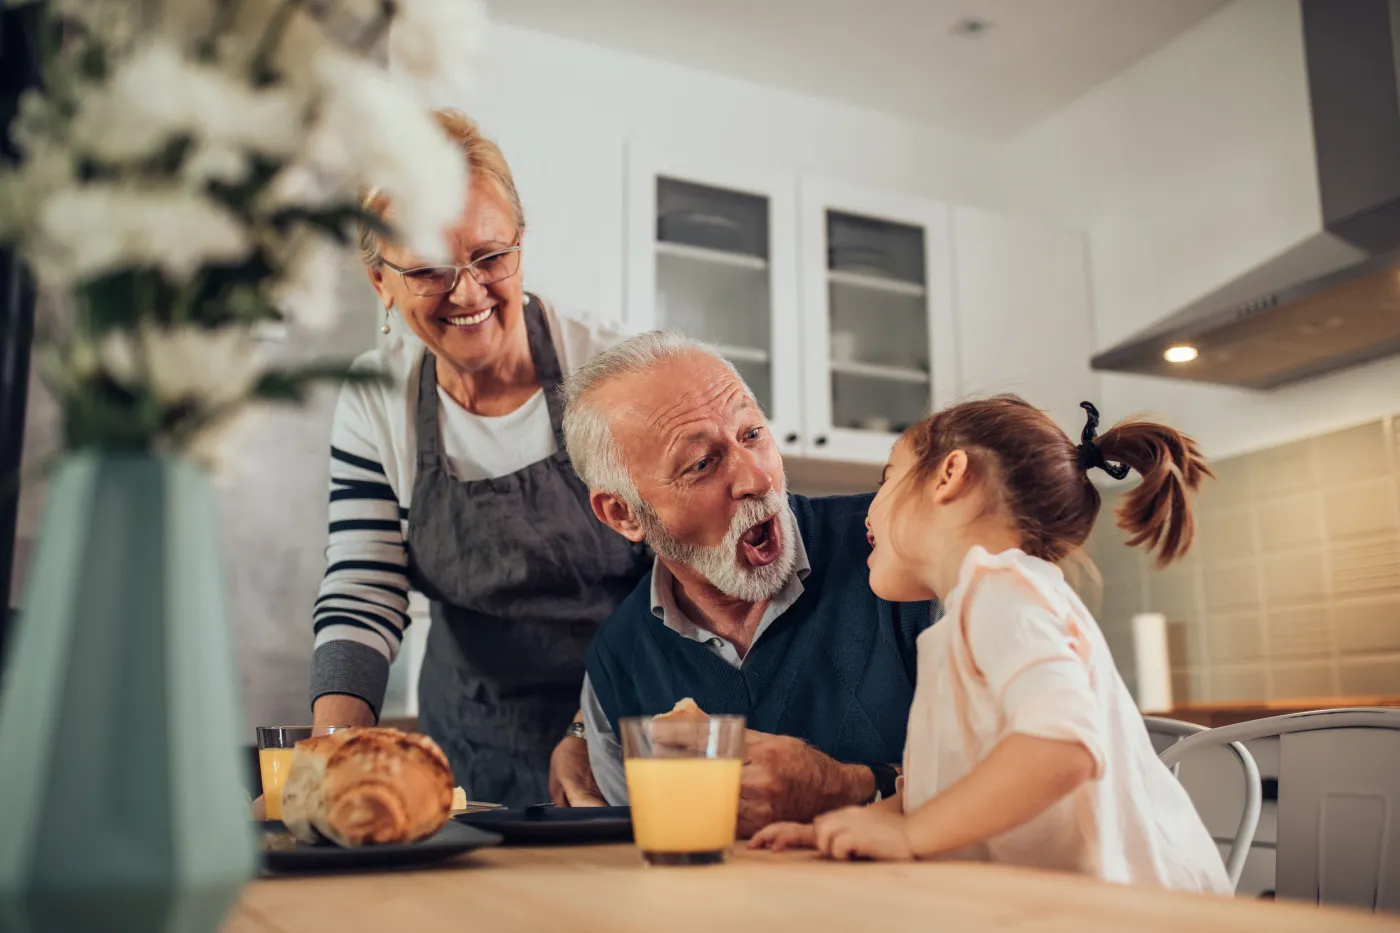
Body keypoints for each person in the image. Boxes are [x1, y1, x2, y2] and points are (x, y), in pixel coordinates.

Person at [750, 397, 1231, 894]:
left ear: (949, 474)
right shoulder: (973, 612)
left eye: (886, 478)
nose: (868, 510)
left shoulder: (1002, 591)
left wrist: (912, 834)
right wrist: (836, 832)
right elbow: (936, 794)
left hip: (1142, 912)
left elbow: (1063, 748)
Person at [308, 110, 650, 807]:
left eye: (491, 258)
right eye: (430, 269)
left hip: (629, 720)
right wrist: (331, 754)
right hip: (469, 741)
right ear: (383, 284)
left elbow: (677, 574)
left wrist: (593, 727)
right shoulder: (380, 399)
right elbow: (363, 587)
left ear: (521, 245)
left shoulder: (610, 368)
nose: (468, 293)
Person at [558, 332, 938, 836]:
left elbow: (1022, 779)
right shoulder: (619, 658)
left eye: (753, 434)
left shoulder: (905, 553)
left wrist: (852, 786)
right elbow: (638, 857)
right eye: (701, 464)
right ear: (623, 513)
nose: (756, 478)